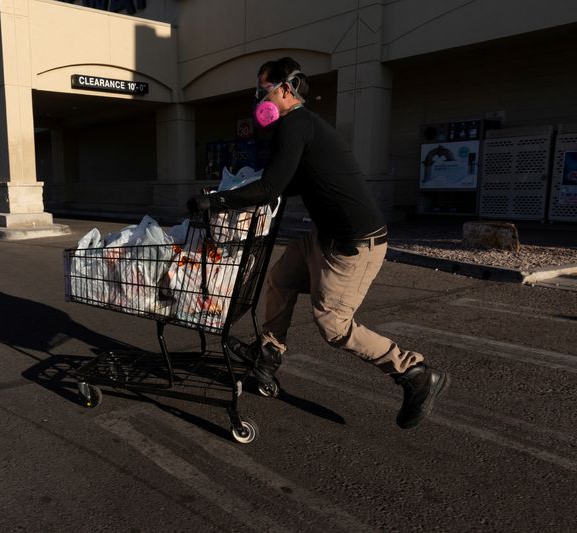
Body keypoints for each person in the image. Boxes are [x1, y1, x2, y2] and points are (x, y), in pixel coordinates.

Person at [187, 57, 449, 429]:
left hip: (354, 244)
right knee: (281, 277)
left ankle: (416, 373)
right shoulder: (303, 126)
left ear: (286, 89)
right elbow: (292, 182)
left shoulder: (295, 125)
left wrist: (215, 201)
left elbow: (271, 187)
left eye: (264, 91)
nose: (259, 99)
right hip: (323, 237)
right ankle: (267, 354)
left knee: (334, 326)